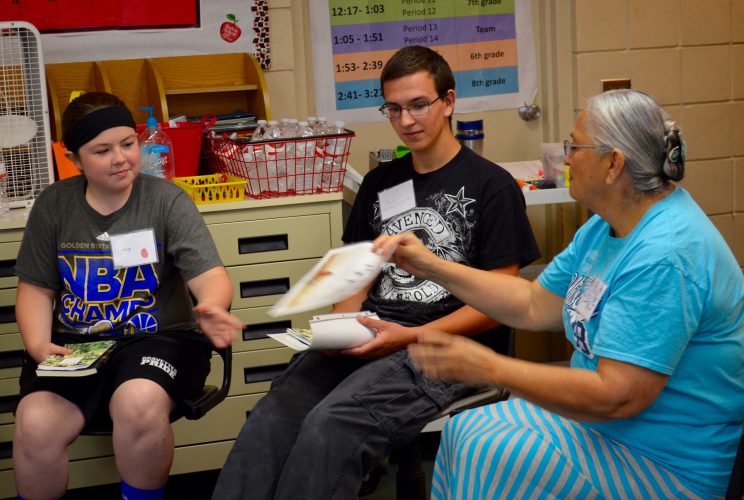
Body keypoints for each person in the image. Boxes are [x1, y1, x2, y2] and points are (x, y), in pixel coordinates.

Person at [374, 89, 744, 498]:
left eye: (574, 146)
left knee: (489, 450)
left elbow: (617, 397)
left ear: (613, 163)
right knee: (464, 430)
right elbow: (533, 305)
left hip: (665, 461)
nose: (566, 158)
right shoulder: (607, 227)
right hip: (610, 431)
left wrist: (488, 367)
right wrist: (429, 264)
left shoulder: (666, 253)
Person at [213, 45, 540, 499]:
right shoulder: (380, 183)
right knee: (275, 414)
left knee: (331, 424)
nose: (407, 121)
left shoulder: (492, 187)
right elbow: (355, 277)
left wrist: (402, 337)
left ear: (448, 101)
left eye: (419, 105)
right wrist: (339, 330)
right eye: (395, 109)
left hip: (445, 345)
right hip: (372, 336)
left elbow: (502, 303)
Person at [12, 92, 244, 500]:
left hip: (158, 338)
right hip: (77, 346)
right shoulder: (54, 205)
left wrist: (211, 306)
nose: (120, 158)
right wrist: (37, 345)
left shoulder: (166, 200)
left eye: (127, 143)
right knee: (34, 422)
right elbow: (35, 288)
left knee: (137, 402)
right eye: (102, 150)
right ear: (75, 158)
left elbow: (210, 275)